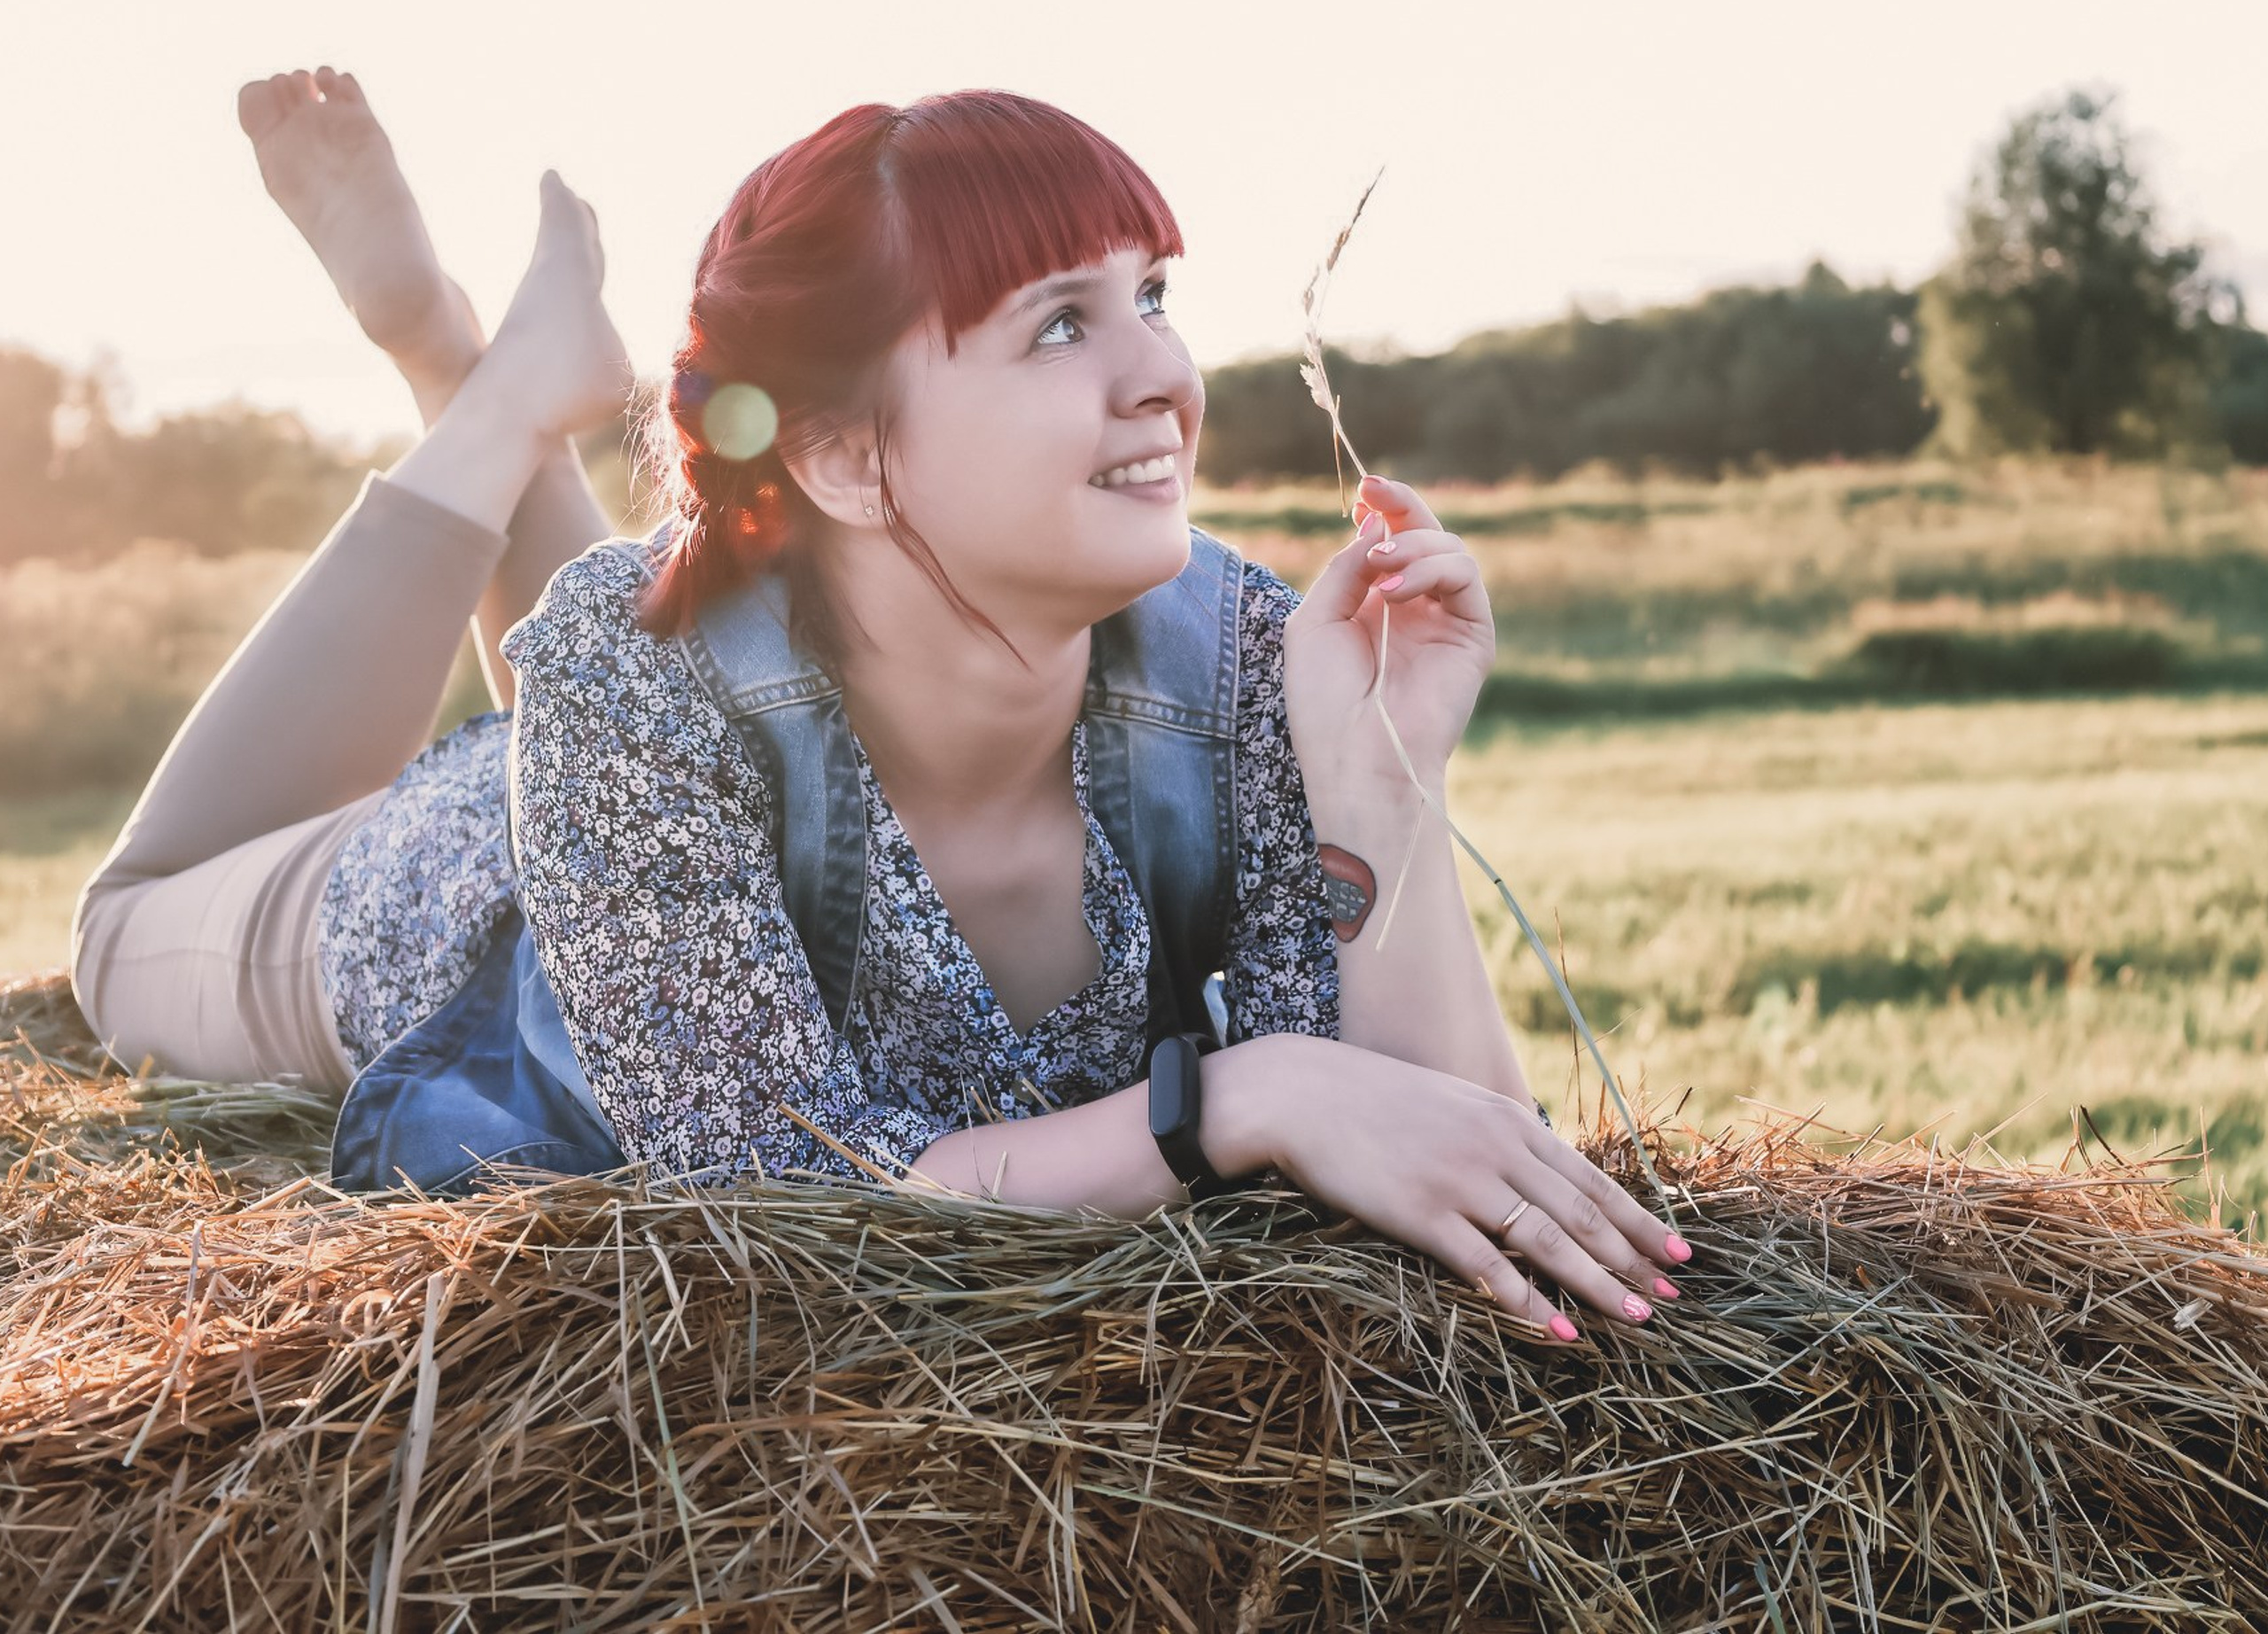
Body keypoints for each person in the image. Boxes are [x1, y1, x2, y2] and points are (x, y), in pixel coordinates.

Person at [70, 66, 1693, 1339]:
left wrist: (1382, 783)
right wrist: (1238, 1100)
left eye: (1155, 295)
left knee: (691, 652)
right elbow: (779, 1194)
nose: (1163, 377)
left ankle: (500, 382)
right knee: (117, 936)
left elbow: (1471, 1161)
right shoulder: (630, 687)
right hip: (476, 911)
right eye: (1062, 322)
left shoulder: (1249, 660)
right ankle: (478, 382)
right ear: (844, 452)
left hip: (701, 731)